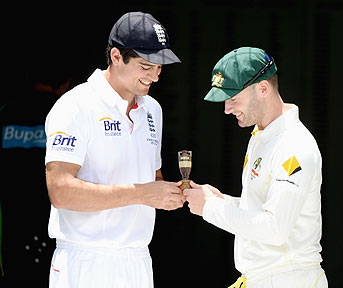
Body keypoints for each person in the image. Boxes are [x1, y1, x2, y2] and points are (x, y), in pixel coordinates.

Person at [45, 12, 184, 288]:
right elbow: (60, 191)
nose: (155, 77)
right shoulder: (75, 105)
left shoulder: (152, 109)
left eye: (159, 67)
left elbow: (151, 180)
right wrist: (143, 193)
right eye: (146, 66)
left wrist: (170, 194)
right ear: (117, 56)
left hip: (139, 262)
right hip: (85, 262)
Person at [184, 47, 328, 288]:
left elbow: (275, 229)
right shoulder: (262, 135)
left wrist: (210, 208)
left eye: (233, 98)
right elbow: (263, 210)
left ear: (263, 88)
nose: (227, 109)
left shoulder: (294, 144)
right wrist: (222, 200)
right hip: (263, 279)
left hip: (289, 280)